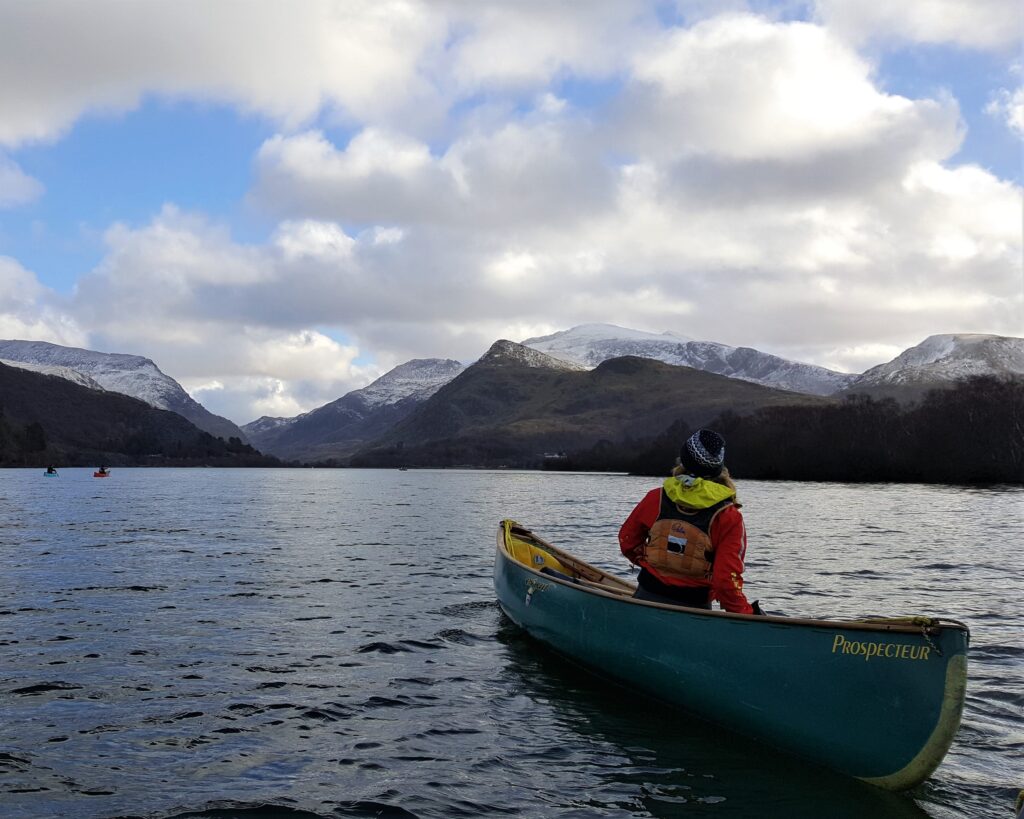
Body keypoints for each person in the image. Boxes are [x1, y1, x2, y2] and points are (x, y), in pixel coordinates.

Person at [618, 428, 763, 615]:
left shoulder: (655, 498)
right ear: (718, 467)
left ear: (684, 460)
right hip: (696, 609)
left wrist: (653, 562)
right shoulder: (729, 516)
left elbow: (627, 541)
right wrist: (746, 614)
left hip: (647, 596)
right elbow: (725, 581)